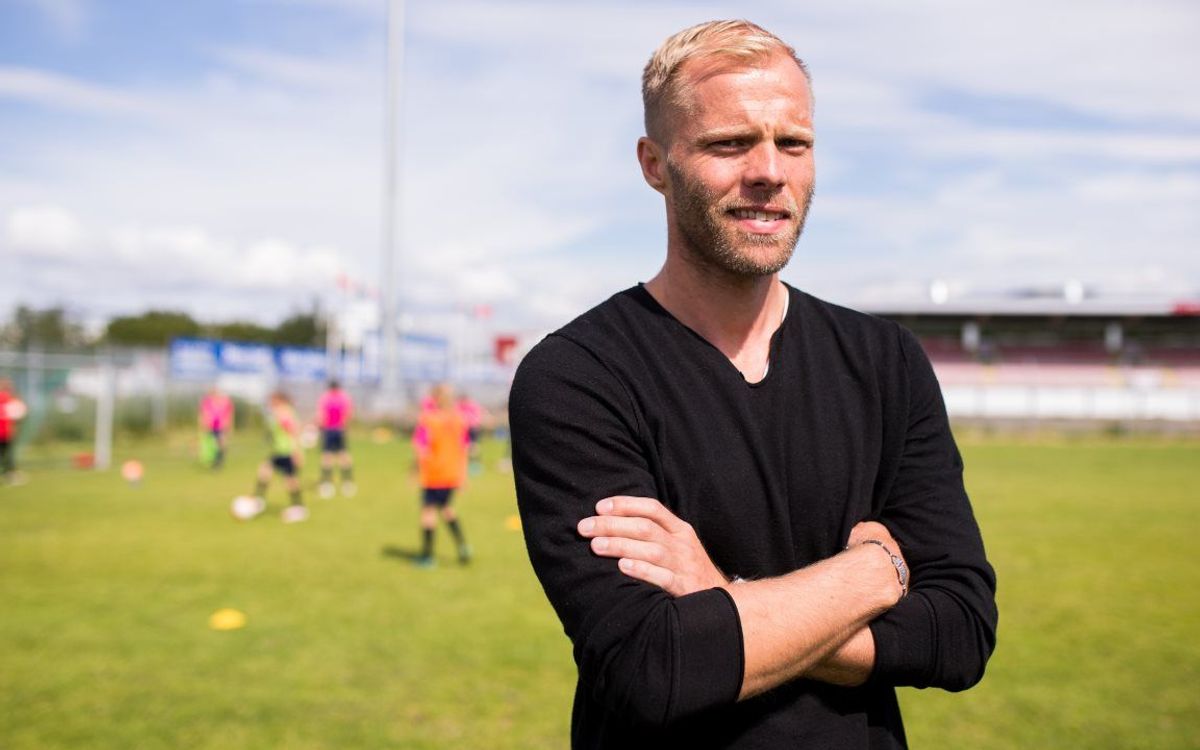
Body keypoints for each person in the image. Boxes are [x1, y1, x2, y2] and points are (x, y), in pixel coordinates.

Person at [509, 20, 997, 749]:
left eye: (793, 143)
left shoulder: (886, 361)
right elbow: (655, 665)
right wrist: (872, 574)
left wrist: (720, 600)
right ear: (654, 163)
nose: (769, 170)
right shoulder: (577, 376)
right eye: (729, 143)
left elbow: (958, 633)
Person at [412, 383, 472, 567]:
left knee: (428, 512)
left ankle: (427, 556)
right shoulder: (460, 419)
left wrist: (415, 469)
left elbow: (420, 446)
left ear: (435, 398)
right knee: (446, 509)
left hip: (433, 473)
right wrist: (463, 475)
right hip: (452, 474)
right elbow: (465, 448)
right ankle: (463, 546)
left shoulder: (428, 419)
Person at [252, 390, 308, 523]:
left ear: (278, 400)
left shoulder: (283, 412)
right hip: (279, 451)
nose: (269, 403)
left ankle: (298, 507)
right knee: (264, 470)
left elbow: (293, 431)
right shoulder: (282, 411)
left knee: (290, 481)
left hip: (287, 451)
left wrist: (296, 452)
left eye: (272, 401)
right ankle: (258, 501)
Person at [315, 380, 355, 498]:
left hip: (329, 430)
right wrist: (344, 426)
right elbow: (349, 414)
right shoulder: (344, 397)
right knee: (343, 455)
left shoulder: (325, 398)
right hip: (339, 429)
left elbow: (321, 415)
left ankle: (327, 482)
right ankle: (347, 481)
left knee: (327, 456)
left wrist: (319, 427)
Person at [198, 385, 234, 469]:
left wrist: (230, 426)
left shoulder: (225, 401)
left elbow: (230, 414)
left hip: (221, 427)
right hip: (210, 427)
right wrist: (202, 424)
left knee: (221, 443)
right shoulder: (206, 401)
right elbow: (203, 413)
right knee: (213, 445)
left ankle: (219, 461)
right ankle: (214, 460)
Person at [0, 378, 27, 485]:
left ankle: (9, 473)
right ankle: (10, 474)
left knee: (7, 454)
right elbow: (17, 413)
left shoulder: (8, 399)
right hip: (4, 432)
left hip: (6, 432)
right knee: (7, 455)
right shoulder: (7, 399)